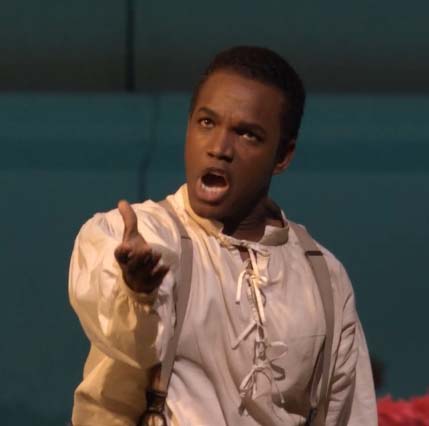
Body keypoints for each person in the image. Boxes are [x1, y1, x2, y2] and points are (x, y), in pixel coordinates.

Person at [69, 46, 377, 425]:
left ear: (282, 156)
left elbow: (349, 414)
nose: (218, 148)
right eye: (206, 123)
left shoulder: (323, 278)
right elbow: (125, 339)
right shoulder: (144, 236)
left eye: (247, 134)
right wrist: (137, 293)